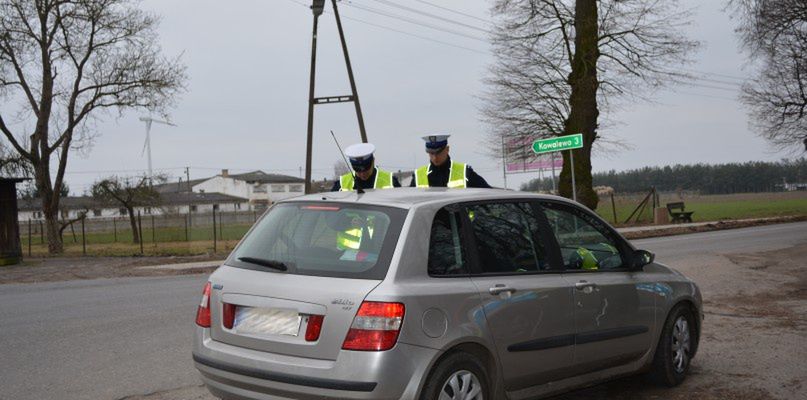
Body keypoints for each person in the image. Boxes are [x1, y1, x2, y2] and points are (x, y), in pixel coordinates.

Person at [410, 134, 491, 188]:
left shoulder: (465, 173)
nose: (435, 157)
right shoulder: (418, 176)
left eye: (438, 153)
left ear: (447, 149)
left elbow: (488, 194)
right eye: (431, 153)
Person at [331, 143, 401, 191]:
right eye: (357, 169)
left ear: (373, 161)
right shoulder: (341, 185)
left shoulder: (391, 182)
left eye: (366, 169)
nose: (362, 174)